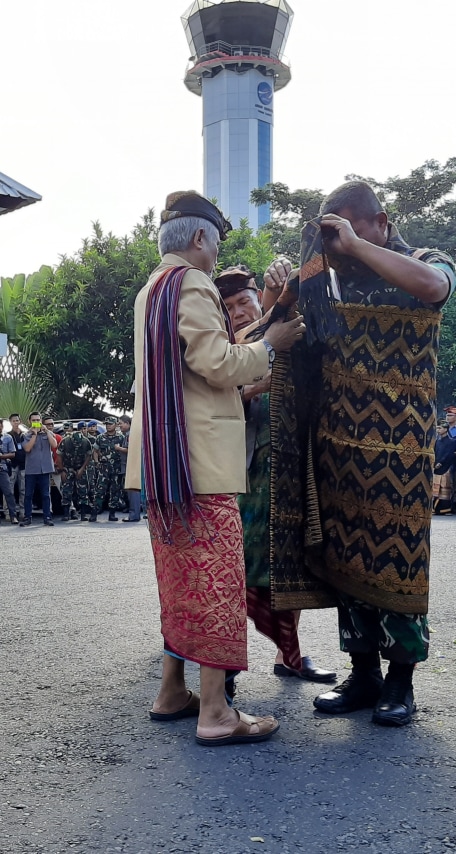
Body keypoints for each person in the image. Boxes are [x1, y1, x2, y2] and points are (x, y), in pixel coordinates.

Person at [268, 180, 456, 727]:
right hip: (335, 443)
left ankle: (401, 681)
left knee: (398, 559)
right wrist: (281, 292)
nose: (338, 243)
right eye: (331, 231)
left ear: (381, 221)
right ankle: (363, 672)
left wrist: (352, 245)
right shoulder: (327, 282)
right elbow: (284, 338)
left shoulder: (424, 259)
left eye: (348, 225)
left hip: (401, 447)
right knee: (345, 556)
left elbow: (434, 289)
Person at [125, 190, 305, 746]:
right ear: (200, 238)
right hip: (201, 464)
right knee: (219, 586)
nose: (216, 250)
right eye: (217, 239)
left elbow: (185, 374)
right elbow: (216, 363)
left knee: (180, 585)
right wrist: (270, 344)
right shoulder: (194, 283)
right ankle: (216, 714)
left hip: (164, 464)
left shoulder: (150, 290)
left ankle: (171, 691)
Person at [216, 263, 336, 684]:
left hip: (290, 464)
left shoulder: (282, 332)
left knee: (289, 560)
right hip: (242, 474)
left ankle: (290, 656)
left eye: (243, 301)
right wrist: (254, 387)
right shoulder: (224, 350)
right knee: (238, 566)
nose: (238, 312)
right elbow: (213, 404)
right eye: (228, 307)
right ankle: (224, 668)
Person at [21, 412, 57, 527]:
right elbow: (27, 448)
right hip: (31, 469)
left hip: (45, 469)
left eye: (38, 420)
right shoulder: (26, 435)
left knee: (46, 495)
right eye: (34, 420)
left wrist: (46, 431)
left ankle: (47, 517)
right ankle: (28, 517)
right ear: (29, 421)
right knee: (28, 495)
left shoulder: (48, 433)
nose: (36, 422)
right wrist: (34, 434)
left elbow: (54, 445)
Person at [59, 423, 94, 521]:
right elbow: (59, 456)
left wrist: (82, 468)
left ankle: (83, 514)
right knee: (66, 491)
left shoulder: (86, 442)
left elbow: (89, 456)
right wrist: (62, 470)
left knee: (83, 491)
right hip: (68, 468)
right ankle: (66, 514)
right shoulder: (65, 442)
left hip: (80, 467)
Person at [93, 416, 123, 521]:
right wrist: (97, 462)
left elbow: (124, 451)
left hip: (116, 468)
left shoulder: (121, 437)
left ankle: (112, 513)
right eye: (107, 424)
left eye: (110, 424)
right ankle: (94, 513)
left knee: (115, 491)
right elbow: (95, 451)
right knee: (99, 490)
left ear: (115, 425)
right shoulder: (100, 437)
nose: (108, 426)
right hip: (103, 468)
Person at [115, 415, 141, 523]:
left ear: (127, 423)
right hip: (128, 466)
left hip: (131, 466)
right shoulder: (127, 434)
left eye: (120, 423)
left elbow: (131, 449)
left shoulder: (131, 435)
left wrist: (118, 448)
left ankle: (134, 515)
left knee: (133, 490)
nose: (119, 425)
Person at [432, 421, 456, 515]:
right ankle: (435, 509)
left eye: (440, 428)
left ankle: (445, 509)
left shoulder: (451, 441)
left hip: (446, 467)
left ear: (446, 429)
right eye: (437, 428)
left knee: (445, 488)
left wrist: (441, 462)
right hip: (436, 466)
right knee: (435, 489)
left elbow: (449, 454)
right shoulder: (437, 441)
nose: (438, 430)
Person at [7, 413, 26, 520]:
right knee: (9, 490)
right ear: (10, 422)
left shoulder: (24, 435)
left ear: (20, 421)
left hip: (23, 465)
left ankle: (22, 512)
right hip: (12, 465)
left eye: (17, 420)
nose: (15, 422)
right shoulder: (8, 435)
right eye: (13, 421)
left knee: (23, 489)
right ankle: (9, 512)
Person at [0, 421, 19, 524]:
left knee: (9, 493)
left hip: (2, 469)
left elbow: (12, 454)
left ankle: (13, 516)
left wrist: (2, 456)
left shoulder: (7, 438)